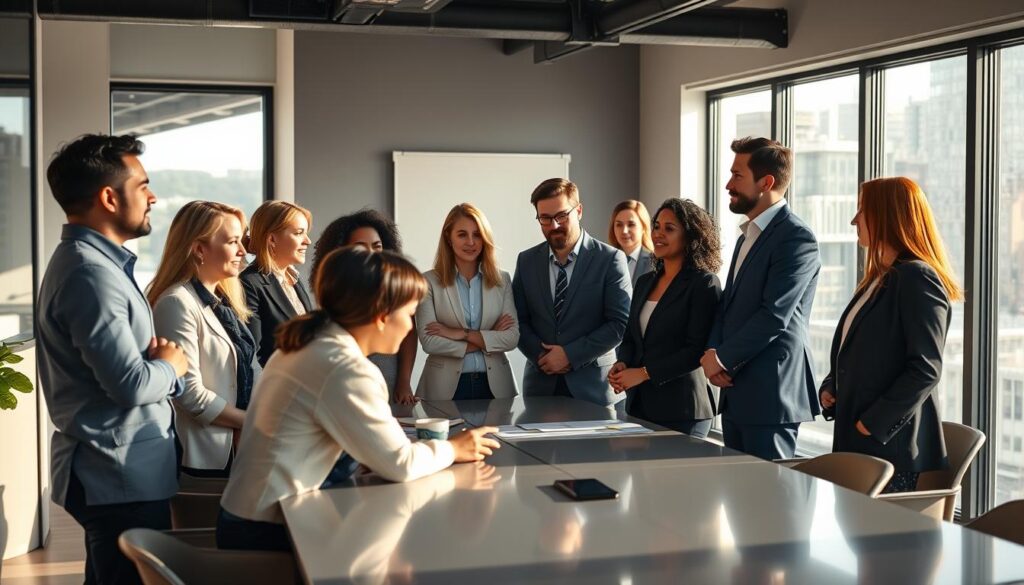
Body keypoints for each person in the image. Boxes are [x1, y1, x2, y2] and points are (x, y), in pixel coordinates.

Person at [217, 246, 500, 551]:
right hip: (267, 532)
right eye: (408, 315)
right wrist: (453, 448)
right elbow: (400, 464)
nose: (409, 327)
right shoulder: (345, 367)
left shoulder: (307, 344)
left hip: (248, 516)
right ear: (381, 316)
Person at [36, 134, 188, 585]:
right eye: (143, 185)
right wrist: (173, 367)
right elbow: (131, 385)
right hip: (117, 474)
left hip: (121, 472)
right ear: (108, 196)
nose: (153, 196)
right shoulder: (90, 274)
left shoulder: (97, 266)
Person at [819, 177, 960, 493]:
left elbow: (925, 369)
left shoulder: (916, 278)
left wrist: (872, 423)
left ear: (887, 216)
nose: (854, 220)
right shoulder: (878, 279)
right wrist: (831, 387)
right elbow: (858, 354)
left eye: (862, 211)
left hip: (888, 449)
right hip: (858, 443)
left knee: (876, 541)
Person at [700, 137, 821, 460]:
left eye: (737, 176)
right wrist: (712, 353)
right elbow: (728, 306)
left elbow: (774, 315)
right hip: (735, 388)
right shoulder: (747, 236)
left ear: (766, 182)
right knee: (739, 501)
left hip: (771, 394)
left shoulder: (796, 238)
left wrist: (722, 358)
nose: (728, 184)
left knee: (771, 503)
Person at [149, 201, 259, 478]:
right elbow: (188, 392)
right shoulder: (176, 303)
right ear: (199, 249)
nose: (243, 251)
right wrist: (251, 422)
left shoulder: (223, 302)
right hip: (206, 456)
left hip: (241, 450)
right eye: (233, 242)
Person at [512, 178, 631, 407]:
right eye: (545, 218)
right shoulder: (526, 261)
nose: (554, 225)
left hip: (594, 388)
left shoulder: (610, 259)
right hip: (541, 386)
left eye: (561, 216)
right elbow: (519, 320)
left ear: (579, 210)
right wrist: (544, 358)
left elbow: (619, 324)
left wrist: (569, 355)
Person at [609, 198, 722, 438]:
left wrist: (642, 373)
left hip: (683, 409)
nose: (659, 233)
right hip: (640, 405)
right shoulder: (645, 282)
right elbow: (631, 337)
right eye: (657, 226)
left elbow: (696, 351)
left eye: (669, 229)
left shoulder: (704, 283)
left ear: (690, 237)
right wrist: (623, 364)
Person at [312, 209, 417, 404]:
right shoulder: (344, 365)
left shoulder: (393, 288)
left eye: (377, 246)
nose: (371, 255)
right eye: (360, 248)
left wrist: (403, 381)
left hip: (385, 371)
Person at [416, 203, 519, 400]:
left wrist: (459, 334)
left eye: (477, 234)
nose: (471, 242)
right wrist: (488, 338)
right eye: (462, 234)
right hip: (443, 388)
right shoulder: (428, 281)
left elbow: (511, 337)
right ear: (449, 237)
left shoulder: (502, 280)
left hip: (496, 387)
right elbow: (429, 342)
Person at [240, 201, 314, 366]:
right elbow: (253, 355)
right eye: (299, 233)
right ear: (272, 239)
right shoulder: (249, 284)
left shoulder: (294, 279)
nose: (307, 241)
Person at [607, 199, 655, 289]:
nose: (624, 231)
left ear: (643, 227)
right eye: (619, 225)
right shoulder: (606, 262)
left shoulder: (655, 263)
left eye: (631, 224)